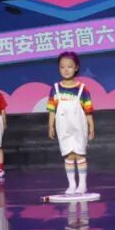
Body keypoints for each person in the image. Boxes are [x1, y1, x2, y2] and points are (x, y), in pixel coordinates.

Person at [47, 52, 95, 195]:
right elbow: (52, 110)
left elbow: (88, 110)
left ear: (76, 68)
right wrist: (50, 125)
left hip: (79, 127)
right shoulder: (55, 88)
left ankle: (82, 184)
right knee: (68, 155)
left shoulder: (82, 88)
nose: (66, 70)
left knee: (79, 154)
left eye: (69, 66)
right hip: (63, 127)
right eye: (62, 67)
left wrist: (91, 127)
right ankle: (72, 184)